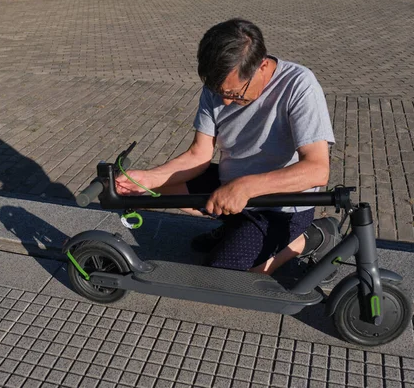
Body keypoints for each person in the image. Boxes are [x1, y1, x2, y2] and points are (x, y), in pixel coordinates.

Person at [116, 18, 335, 276]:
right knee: (149, 192)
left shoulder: (299, 84)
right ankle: (235, 225)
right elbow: (199, 154)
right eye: (218, 91)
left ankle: (310, 237)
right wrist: (147, 178)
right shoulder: (217, 88)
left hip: (281, 206)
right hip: (230, 184)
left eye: (234, 94)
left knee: (222, 277)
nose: (225, 101)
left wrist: (245, 187)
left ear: (262, 65)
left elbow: (317, 170)